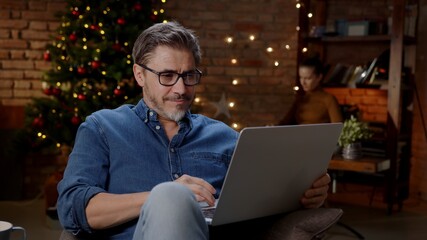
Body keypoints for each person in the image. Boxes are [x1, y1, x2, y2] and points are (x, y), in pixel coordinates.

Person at [57, 21, 331, 240]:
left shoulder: (226, 138)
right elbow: (73, 208)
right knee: (169, 195)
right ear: (140, 75)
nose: (181, 89)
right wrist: (161, 196)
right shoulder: (102, 127)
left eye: (189, 76)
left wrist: (306, 195)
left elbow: (261, 204)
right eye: (167, 76)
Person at [279, 56, 343, 125]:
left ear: (319, 77)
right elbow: (284, 123)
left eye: (308, 78)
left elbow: (338, 128)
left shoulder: (329, 99)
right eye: (301, 77)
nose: (303, 82)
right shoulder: (301, 98)